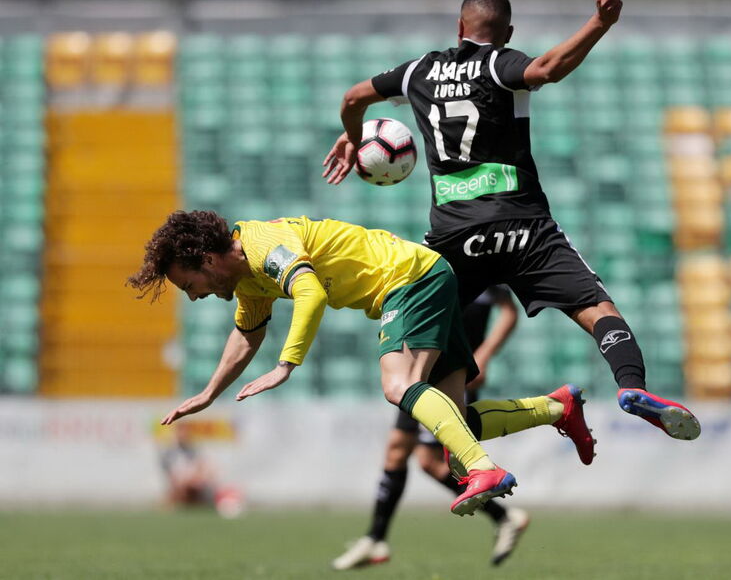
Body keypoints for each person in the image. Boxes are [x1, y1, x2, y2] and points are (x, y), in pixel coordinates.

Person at [324, 0, 701, 441]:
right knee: (598, 310)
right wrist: (600, 23)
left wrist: (352, 135)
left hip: (453, 236)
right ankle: (632, 387)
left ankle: (468, 461)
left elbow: (351, 98)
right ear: (507, 33)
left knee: (417, 372)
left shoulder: (417, 71)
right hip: (525, 225)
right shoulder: (502, 63)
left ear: (459, 27)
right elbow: (547, 68)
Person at [128, 210, 595, 517]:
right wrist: (210, 393)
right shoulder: (248, 282)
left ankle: (483, 469)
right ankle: (558, 408)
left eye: (188, 283)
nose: (194, 295)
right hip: (426, 277)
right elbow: (246, 335)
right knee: (456, 421)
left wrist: (287, 364)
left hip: (408, 280)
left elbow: (308, 289)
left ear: (206, 260)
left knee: (398, 386)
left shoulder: (263, 244)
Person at [333, 287, 530, 570]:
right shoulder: (434, 263)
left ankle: (504, 516)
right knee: (398, 452)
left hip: (453, 376)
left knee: (429, 460)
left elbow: (509, 311)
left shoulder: (480, 266)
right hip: (420, 373)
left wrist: (483, 356)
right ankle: (375, 539)